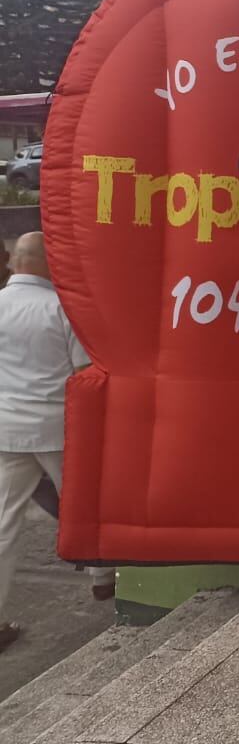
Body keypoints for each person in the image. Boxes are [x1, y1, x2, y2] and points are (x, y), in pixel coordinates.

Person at [0, 232, 113, 651]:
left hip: (7, 430)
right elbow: (84, 372)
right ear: (50, 265)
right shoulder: (62, 309)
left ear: (14, 261)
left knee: (4, 524)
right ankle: (103, 579)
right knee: (81, 507)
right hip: (56, 430)